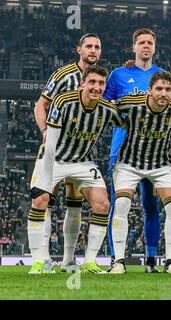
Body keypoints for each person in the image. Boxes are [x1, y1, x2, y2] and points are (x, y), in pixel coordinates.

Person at [28, 65, 122, 274]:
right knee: (40, 200)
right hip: (55, 158)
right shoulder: (63, 102)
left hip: (83, 162)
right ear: (82, 84)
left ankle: (89, 262)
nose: (96, 87)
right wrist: (46, 179)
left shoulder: (108, 108)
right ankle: (38, 263)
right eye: (92, 82)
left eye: (100, 83)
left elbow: (130, 121)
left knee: (103, 204)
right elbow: (50, 143)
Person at [33, 33, 102, 273]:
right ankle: (43, 259)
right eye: (89, 46)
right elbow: (40, 104)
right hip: (56, 151)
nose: (93, 50)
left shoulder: (101, 77)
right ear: (79, 49)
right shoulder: (63, 75)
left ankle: (69, 261)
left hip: (82, 153)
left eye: (97, 47)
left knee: (75, 204)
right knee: (45, 200)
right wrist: (44, 131)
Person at [109, 71, 171, 274]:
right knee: (122, 203)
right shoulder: (130, 102)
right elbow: (108, 110)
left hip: (161, 165)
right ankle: (118, 261)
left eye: (168, 89)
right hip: (129, 163)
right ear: (150, 90)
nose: (164, 93)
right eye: (159, 89)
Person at [103, 28, 164, 273]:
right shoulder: (119, 74)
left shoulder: (162, 76)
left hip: (153, 151)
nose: (146, 46)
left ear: (154, 47)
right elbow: (105, 105)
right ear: (134, 47)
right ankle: (117, 259)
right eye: (141, 42)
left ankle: (151, 260)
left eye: (150, 42)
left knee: (152, 206)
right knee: (119, 205)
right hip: (122, 150)